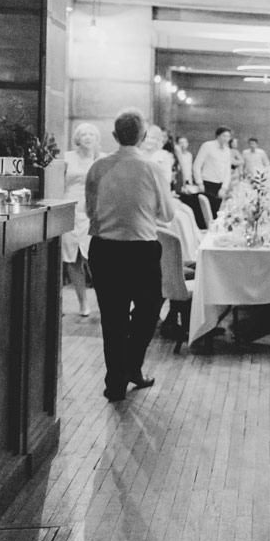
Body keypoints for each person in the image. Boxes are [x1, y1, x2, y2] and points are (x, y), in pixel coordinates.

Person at [85, 109, 175, 402]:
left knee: (113, 319)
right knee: (148, 313)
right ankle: (131, 367)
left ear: (114, 136)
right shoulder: (152, 169)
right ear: (144, 136)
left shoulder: (98, 168)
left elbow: (90, 210)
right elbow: (168, 214)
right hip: (141, 250)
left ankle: (117, 382)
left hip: (104, 249)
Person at [60, 121, 105, 317]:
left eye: (92, 135)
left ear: (97, 140)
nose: (88, 137)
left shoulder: (101, 159)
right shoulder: (66, 157)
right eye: (84, 134)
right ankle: (82, 303)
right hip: (69, 209)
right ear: (77, 138)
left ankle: (105, 302)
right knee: (72, 259)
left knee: (94, 258)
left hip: (91, 212)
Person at [192, 126, 233, 217]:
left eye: (228, 136)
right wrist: (199, 182)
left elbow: (227, 171)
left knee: (217, 212)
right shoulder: (208, 146)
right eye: (224, 136)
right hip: (207, 183)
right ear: (217, 136)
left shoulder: (227, 150)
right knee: (205, 211)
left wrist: (224, 187)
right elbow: (197, 165)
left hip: (220, 186)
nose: (226, 138)